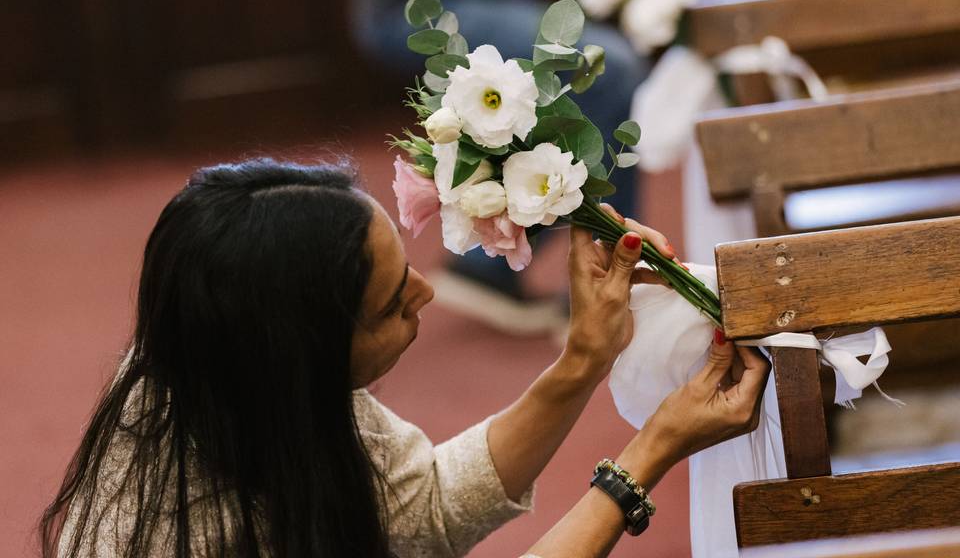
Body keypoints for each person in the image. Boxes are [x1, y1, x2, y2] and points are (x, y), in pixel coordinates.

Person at [41, 158, 769, 557]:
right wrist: (649, 453)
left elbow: (422, 508)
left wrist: (586, 356)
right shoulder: (195, 536)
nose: (426, 294)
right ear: (308, 356)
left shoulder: (225, 367)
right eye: (391, 304)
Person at [348, 0, 647, 331]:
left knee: (577, 83)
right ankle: (604, 288)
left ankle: (487, 267)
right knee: (606, 66)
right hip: (415, 3)